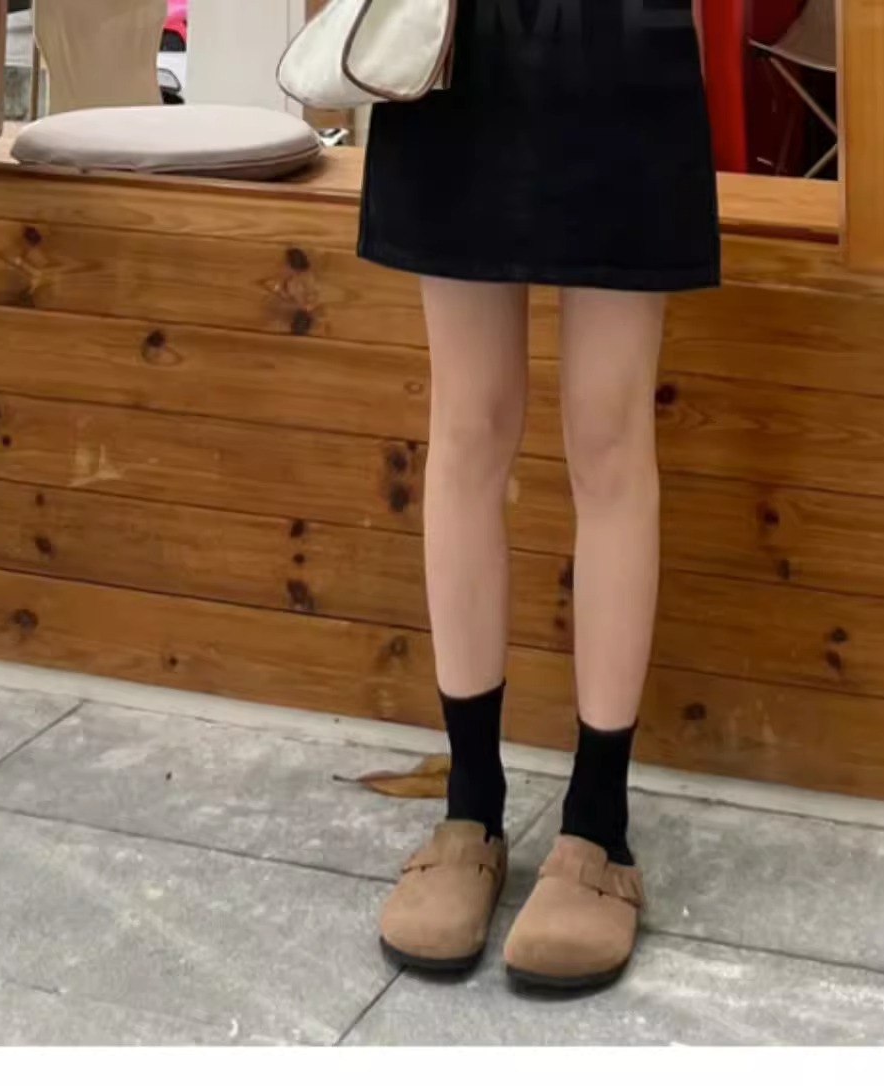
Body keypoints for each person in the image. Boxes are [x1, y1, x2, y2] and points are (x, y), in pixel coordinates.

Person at [359, 0, 720, 990]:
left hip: (627, 46)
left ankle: (598, 827)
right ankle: (469, 807)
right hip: (451, 54)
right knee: (467, 427)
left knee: (609, 436)